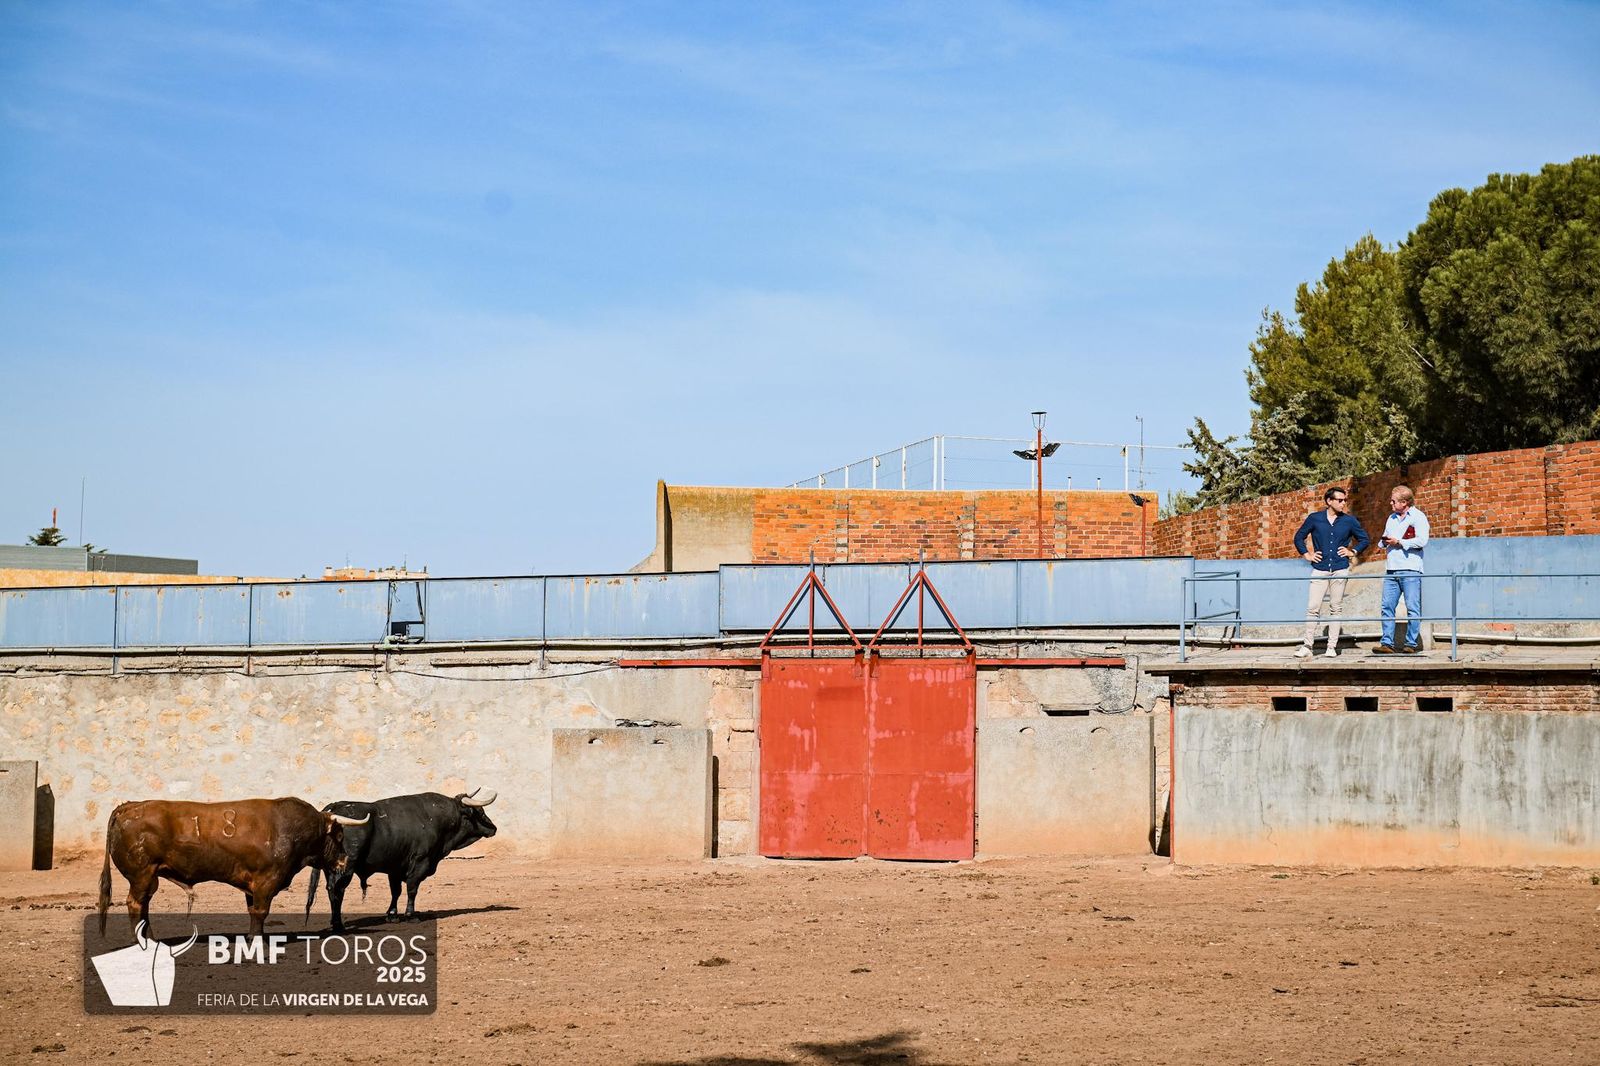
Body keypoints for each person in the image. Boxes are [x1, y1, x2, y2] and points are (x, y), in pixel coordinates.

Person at [1291, 487, 1369, 658]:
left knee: (1336, 608)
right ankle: (1307, 646)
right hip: (1320, 569)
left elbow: (1364, 539)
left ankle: (1331, 647)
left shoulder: (1349, 521)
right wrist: (1307, 555)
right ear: (1329, 501)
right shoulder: (1315, 519)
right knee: (1313, 608)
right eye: (1340, 500)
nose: (1343, 503)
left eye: (1344, 500)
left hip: (1340, 568)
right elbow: (1299, 537)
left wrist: (1352, 552)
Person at [1372, 484, 1430, 654]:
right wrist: (1385, 541)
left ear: (1404, 502)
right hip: (1391, 569)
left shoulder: (1418, 517)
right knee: (1387, 606)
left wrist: (1400, 542)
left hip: (1411, 569)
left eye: (1394, 501)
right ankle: (1387, 643)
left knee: (1413, 607)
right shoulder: (1391, 518)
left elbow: (1422, 541)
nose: (1391, 504)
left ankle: (1411, 644)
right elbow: (1382, 542)